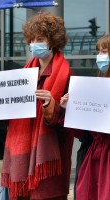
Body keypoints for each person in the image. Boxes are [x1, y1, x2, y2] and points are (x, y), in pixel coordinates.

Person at [0, 12, 74, 199]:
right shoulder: (22, 76)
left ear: (53, 41)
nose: (34, 44)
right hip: (21, 165)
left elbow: (71, 125)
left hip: (48, 162)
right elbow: (4, 119)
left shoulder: (67, 75)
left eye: (40, 39)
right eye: (31, 39)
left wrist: (54, 106)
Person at [60, 34, 110, 200]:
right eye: (99, 52)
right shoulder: (95, 85)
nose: (100, 57)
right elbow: (81, 133)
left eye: (104, 51)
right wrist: (70, 110)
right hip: (94, 154)